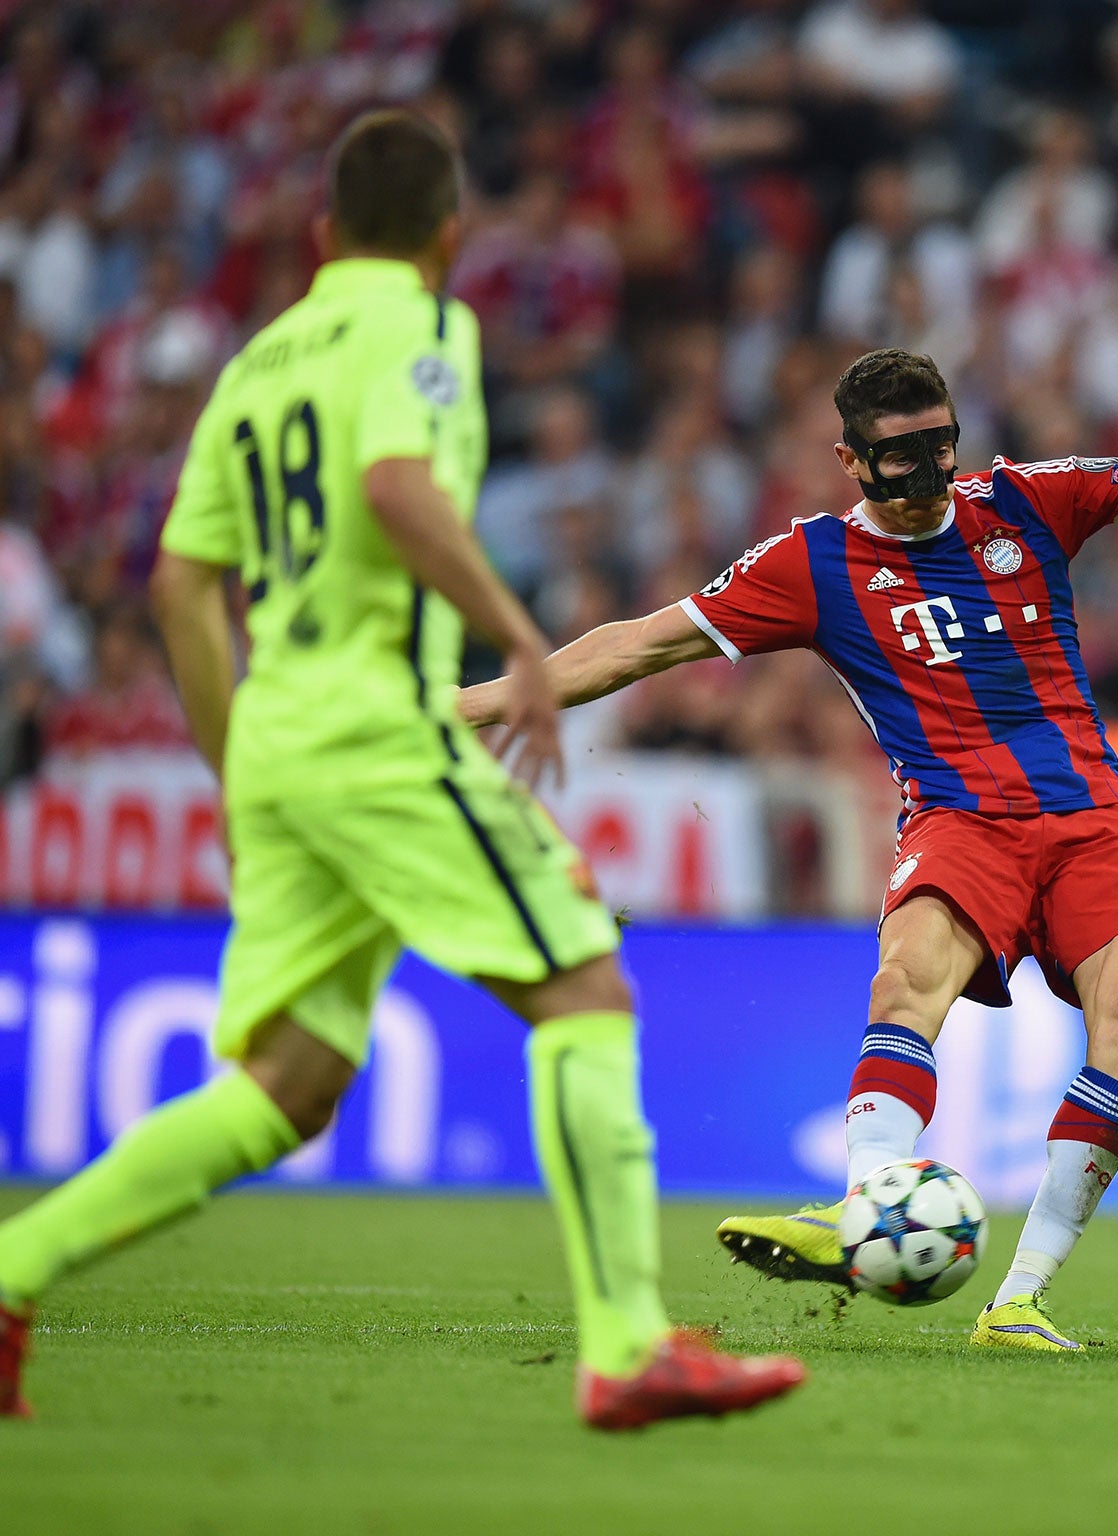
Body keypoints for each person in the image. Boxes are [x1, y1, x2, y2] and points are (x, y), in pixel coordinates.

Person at [0, 111, 803, 1428]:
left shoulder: (255, 364)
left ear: (321, 234)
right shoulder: (426, 329)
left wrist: (237, 769)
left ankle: (12, 1269)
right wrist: (520, 632)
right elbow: (393, 487)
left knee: (292, 1085)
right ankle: (626, 1344)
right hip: (381, 725)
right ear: (449, 235)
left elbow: (183, 586)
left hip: (278, 745)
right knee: (585, 986)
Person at [461, 347, 1118, 1351]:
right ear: (851, 462)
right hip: (958, 818)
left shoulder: (1022, 503)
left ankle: (1018, 1299)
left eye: (939, 445)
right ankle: (859, 1208)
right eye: (900, 455)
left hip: (1094, 818)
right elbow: (637, 643)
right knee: (905, 986)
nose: (926, 472)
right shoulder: (808, 565)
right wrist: (472, 705)